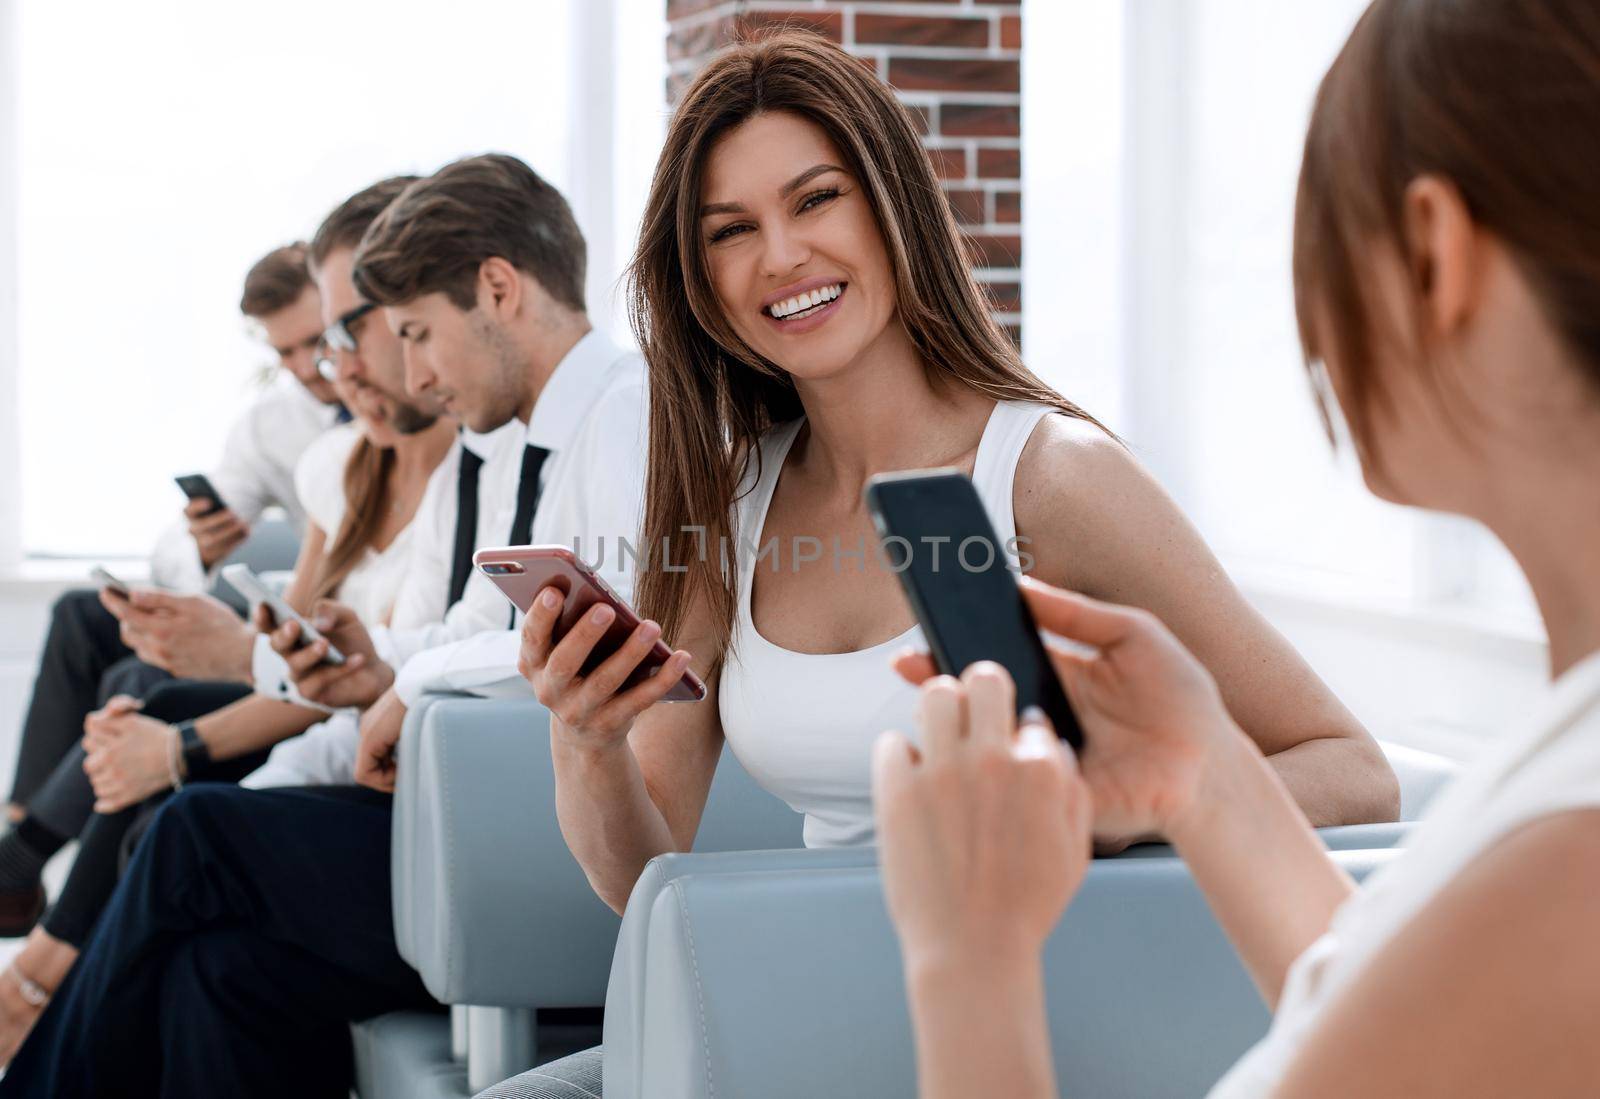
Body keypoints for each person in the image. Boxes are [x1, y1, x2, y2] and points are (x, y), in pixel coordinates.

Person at [482, 28, 1398, 1095]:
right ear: (702, 282)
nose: (779, 256)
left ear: (891, 205)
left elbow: (1350, 765)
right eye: (731, 231)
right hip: (798, 1007)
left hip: (1018, 1022)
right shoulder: (728, 499)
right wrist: (585, 740)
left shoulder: (1051, 477)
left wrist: (1100, 810)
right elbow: (641, 874)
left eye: (815, 199)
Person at [873, 1, 1600, 1095]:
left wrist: (964, 951)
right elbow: (1408, 1039)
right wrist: (1201, 772)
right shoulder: (1565, 750)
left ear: (1431, 251)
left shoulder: (1569, 873)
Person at [0, 153, 651, 1099]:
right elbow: (478, 623)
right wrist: (377, 663)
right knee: (218, 971)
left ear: (500, 289)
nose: (413, 368)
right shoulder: (524, 443)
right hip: (458, 802)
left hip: (532, 830)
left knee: (194, 833)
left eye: (415, 333)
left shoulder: (620, 416)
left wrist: (403, 682)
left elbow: (596, 641)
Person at [0, 176, 463, 1063]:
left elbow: (317, 673)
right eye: (318, 345)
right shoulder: (338, 459)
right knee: (129, 692)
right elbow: (301, 653)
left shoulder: (467, 478)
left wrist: (186, 743)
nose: (328, 367)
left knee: (166, 780)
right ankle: (28, 890)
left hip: (380, 777)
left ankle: (34, 962)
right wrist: (217, 591)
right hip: (332, 745)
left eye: (346, 333)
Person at [0, 242, 341, 935]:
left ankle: (21, 862)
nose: (309, 369)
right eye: (287, 354)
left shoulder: (392, 417)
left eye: (317, 342)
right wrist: (200, 544)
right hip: (270, 597)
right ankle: (19, 836)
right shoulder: (272, 422)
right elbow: (179, 544)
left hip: (326, 615)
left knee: (139, 674)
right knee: (81, 613)